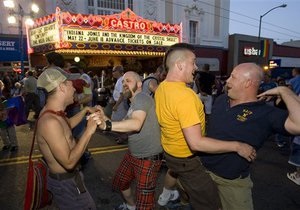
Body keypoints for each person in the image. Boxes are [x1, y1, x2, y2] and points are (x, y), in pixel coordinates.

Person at [155, 43, 256, 209]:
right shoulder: (185, 96)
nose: (196, 67)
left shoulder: (162, 87)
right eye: (193, 62)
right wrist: (238, 146)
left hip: (170, 154)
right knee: (210, 203)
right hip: (187, 160)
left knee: (187, 189)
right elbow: (196, 143)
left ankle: (182, 199)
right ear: (180, 65)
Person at [200, 63, 300, 210]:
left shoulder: (265, 113)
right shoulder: (221, 99)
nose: (227, 81)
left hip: (232, 182)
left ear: (248, 83)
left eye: (233, 77)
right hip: (203, 172)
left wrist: (284, 91)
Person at [36, 67, 102, 209]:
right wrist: (89, 131)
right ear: (61, 87)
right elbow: (69, 162)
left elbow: (67, 126)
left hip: (71, 180)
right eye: (69, 83)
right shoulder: (50, 122)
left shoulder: (54, 112)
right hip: (66, 185)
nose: (74, 87)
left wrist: (84, 111)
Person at [98, 71, 163, 210]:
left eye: (128, 81)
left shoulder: (142, 98)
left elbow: (136, 124)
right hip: (133, 154)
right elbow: (126, 128)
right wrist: (105, 118)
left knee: (145, 203)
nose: (124, 84)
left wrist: (107, 125)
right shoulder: (132, 103)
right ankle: (130, 206)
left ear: (139, 84)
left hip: (148, 158)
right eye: (122, 82)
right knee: (120, 182)